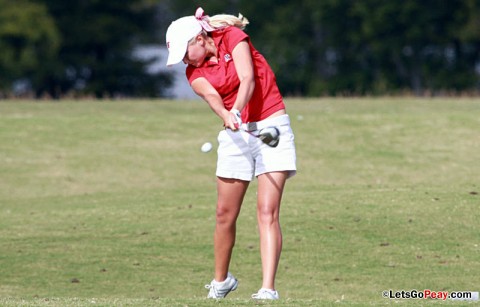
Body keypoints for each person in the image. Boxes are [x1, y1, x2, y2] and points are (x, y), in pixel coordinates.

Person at [165, 7, 296, 300]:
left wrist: (235, 109)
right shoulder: (193, 72)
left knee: (267, 211)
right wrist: (226, 115)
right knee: (224, 214)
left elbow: (247, 79)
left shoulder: (233, 37)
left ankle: (267, 289)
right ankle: (221, 281)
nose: (185, 61)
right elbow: (212, 96)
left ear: (199, 38)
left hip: (271, 123)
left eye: (185, 52)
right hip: (237, 134)